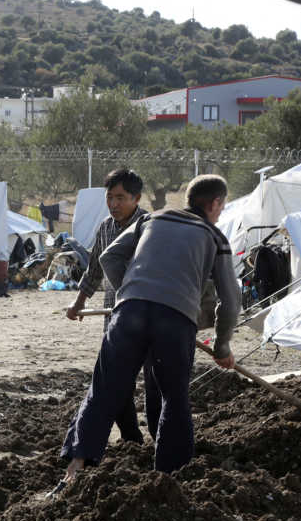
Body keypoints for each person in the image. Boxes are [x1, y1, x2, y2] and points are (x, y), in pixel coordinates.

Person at [58, 174, 240, 488]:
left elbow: (109, 256)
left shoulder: (151, 220)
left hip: (129, 312)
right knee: (174, 398)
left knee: (104, 390)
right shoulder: (215, 237)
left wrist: (130, 289)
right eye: (221, 207)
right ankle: (169, 481)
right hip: (176, 319)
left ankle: (75, 469)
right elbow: (231, 299)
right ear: (215, 204)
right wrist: (222, 346)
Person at [66, 168, 151, 444]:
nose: (114, 204)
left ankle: (162, 438)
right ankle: (131, 439)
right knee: (115, 380)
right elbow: (93, 272)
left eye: (121, 197)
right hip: (115, 316)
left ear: (136, 198)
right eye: (110, 197)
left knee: (155, 379)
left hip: (149, 316)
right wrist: (77, 304)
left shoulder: (150, 227)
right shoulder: (105, 227)